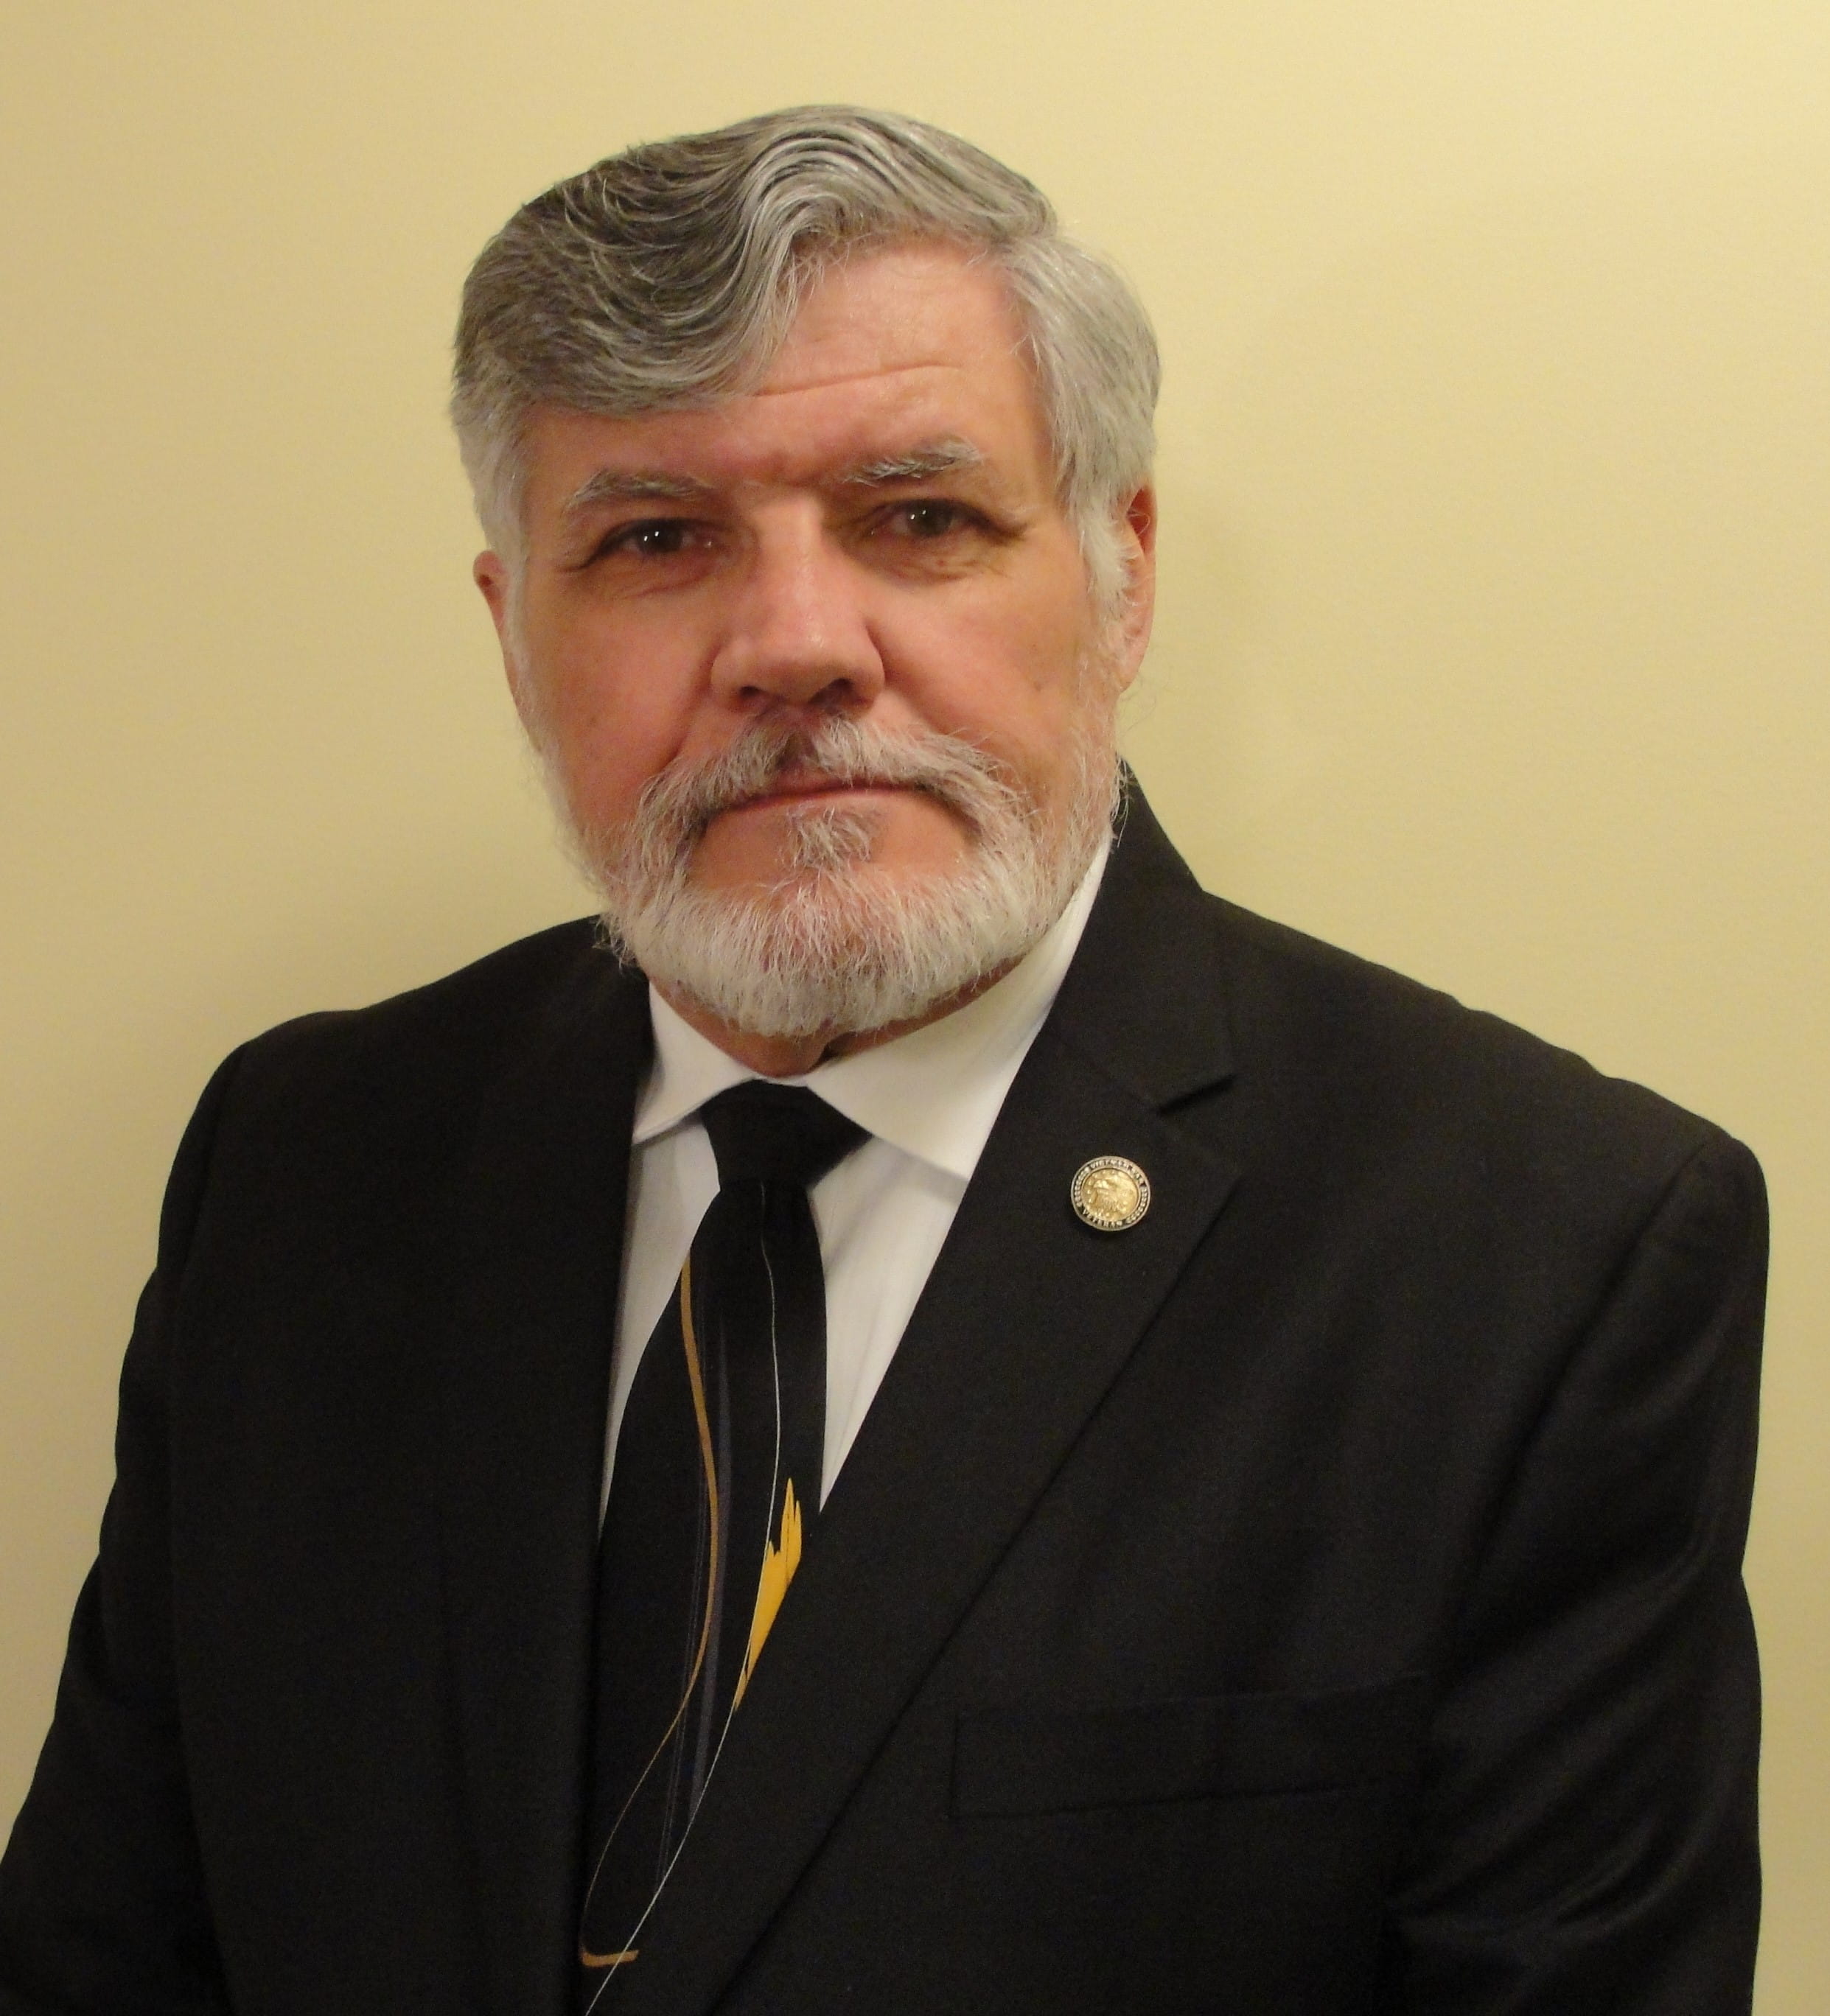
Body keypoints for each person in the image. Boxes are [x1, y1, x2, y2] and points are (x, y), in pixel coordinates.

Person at [0, 107, 1764, 2015]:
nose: (791, 644)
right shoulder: (306, 1157)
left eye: (919, 518)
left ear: (1122, 571)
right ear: (516, 636)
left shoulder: (1536, 1252)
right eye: (656, 540)